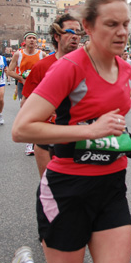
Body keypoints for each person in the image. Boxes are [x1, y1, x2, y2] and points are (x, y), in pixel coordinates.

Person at [1, 0, 131, 263]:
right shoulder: (69, 68)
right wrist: (91, 129)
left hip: (111, 189)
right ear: (87, 26)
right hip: (67, 191)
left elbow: (109, 126)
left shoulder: (125, 69)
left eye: (126, 24)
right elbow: (22, 129)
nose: (122, 32)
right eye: (112, 24)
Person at [22, 13, 83, 178]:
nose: (75, 36)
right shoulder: (42, 67)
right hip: (47, 138)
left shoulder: (87, 66)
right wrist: (48, 110)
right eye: (69, 31)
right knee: (50, 188)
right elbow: (25, 104)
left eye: (78, 32)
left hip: (79, 137)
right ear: (56, 36)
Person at [7, 32, 47, 155]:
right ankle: (29, 143)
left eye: (34, 38)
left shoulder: (42, 54)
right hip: (22, 86)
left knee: (38, 114)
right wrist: (22, 78)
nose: (32, 40)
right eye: (30, 38)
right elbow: (9, 71)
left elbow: (48, 70)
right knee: (26, 112)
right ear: (25, 40)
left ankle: (36, 140)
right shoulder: (18, 54)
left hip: (38, 87)